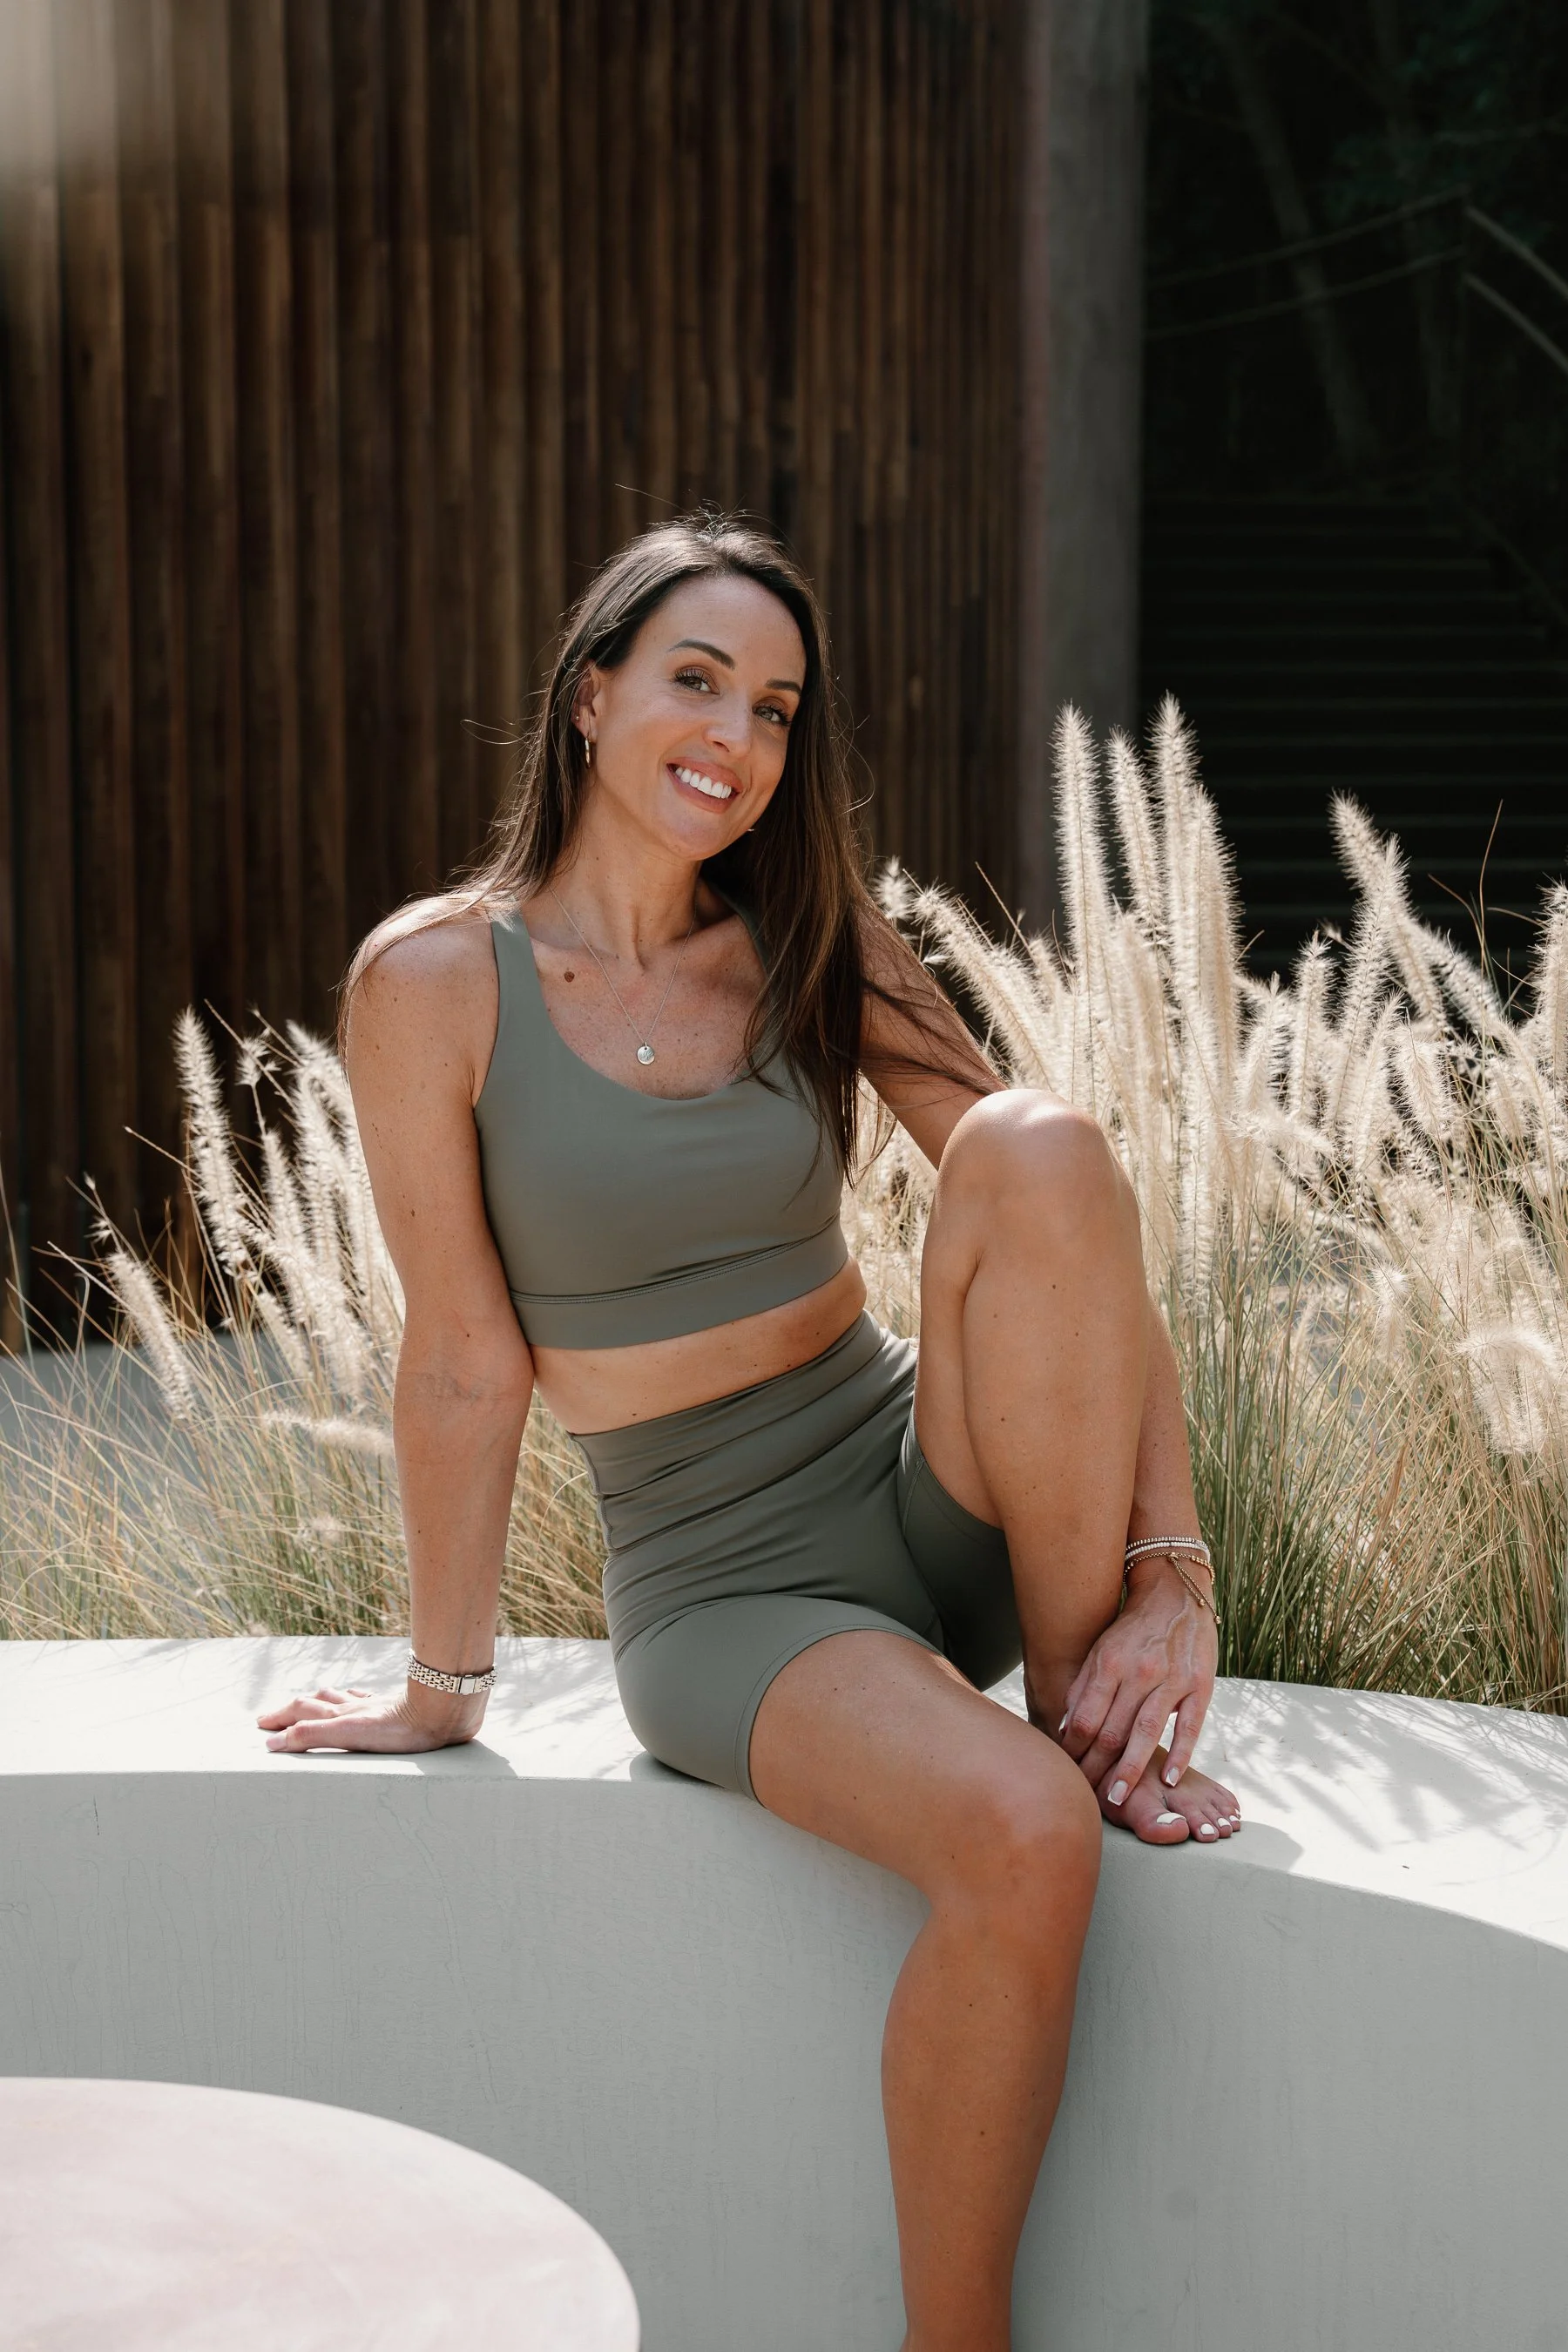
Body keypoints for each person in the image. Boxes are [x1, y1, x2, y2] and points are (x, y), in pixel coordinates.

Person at [259, 514, 1240, 2352]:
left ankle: (1084, 1698)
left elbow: (1073, 1242)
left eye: (777, 709)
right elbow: (463, 1360)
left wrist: (1167, 1570)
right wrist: (442, 1685)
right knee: (1019, 1837)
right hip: (731, 1591)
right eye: (697, 681)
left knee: (1040, 1141)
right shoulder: (438, 984)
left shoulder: (807, 936)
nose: (737, 737)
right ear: (590, 695)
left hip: (926, 1484)